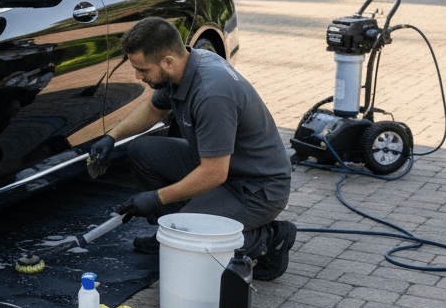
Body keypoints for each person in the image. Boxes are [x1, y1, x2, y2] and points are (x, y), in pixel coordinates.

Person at [86, 17, 297, 280]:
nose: (138, 76)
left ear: (168, 62)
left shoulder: (212, 93)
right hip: (219, 165)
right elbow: (153, 109)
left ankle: (266, 240)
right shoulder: (183, 67)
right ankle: (172, 231)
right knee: (142, 151)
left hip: (256, 187)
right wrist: (112, 136)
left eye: (142, 69)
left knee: (185, 236)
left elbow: (213, 174)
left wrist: (155, 198)